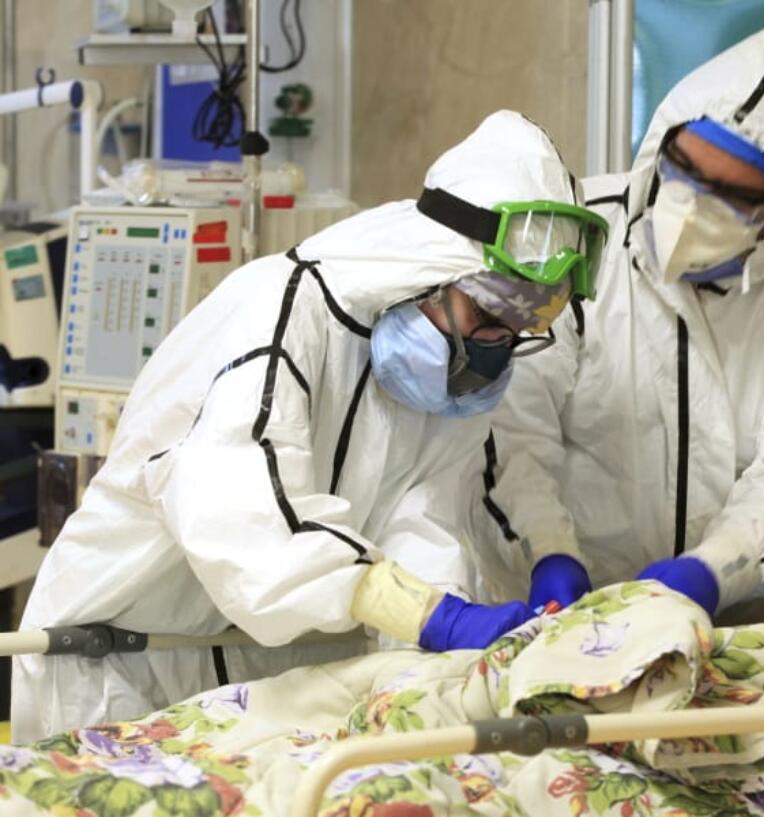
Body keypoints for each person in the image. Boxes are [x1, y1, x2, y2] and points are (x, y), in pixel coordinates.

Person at [12, 110, 608, 741]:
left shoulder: (442, 383)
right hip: (121, 666)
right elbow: (245, 523)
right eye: (492, 313)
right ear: (433, 272)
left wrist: (452, 621)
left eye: (522, 325)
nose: (499, 341)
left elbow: (422, 516)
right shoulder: (276, 319)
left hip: (263, 681)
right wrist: (430, 616)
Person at [479, 18, 764, 621]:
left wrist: (718, 569)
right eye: (682, 168)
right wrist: (548, 549)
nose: (690, 204)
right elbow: (514, 426)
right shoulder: (571, 236)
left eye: (731, 194)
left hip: (737, 615)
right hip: (543, 603)